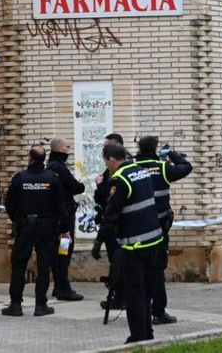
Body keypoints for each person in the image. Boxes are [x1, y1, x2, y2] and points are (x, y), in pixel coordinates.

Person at [95, 142, 163, 343]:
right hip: (154, 240)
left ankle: (137, 336)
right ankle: (148, 333)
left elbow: (111, 214)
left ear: (111, 159)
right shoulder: (141, 172)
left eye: (106, 162)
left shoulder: (120, 179)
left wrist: (99, 241)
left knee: (134, 293)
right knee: (147, 291)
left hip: (135, 246)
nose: (107, 166)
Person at [2, 145, 70, 317]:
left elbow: (9, 203)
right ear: (43, 159)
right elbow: (61, 206)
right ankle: (41, 305)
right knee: (44, 266)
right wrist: (64, 229)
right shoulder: (52, 178)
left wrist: (17, 220)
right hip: (47, 229)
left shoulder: (20, 178)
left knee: (19, 266)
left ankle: (15, 305)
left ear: (29, 158)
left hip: (25, 227)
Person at [134, 136, 192, 325]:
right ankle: (158, 312)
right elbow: (186, 166)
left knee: (138, 269)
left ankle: (139, 311)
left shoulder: (132, 168)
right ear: (156, 148)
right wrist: (171, 153)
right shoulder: (163, 167)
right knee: (157, 269)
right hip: (159, 228)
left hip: (136, 227)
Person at [47, 137, 86, 301]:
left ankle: (58, 286)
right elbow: (76, 186)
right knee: (64, 252)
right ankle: (63, 288)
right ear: (60, 149)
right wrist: (80, 184)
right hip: (64, 221)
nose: (69, 150)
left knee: (59, 253)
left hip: (57, 219)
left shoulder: (50, 166)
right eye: (67, 147)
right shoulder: (59, 167)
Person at [93, 133, 128, 310]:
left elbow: (109, 201)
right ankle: (119, 295)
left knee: (118, 264)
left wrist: (100, 185)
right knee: (117, 263)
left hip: (118, 229)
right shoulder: (114, 171)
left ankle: (120, 297)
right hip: (116, 227)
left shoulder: (119, 175)